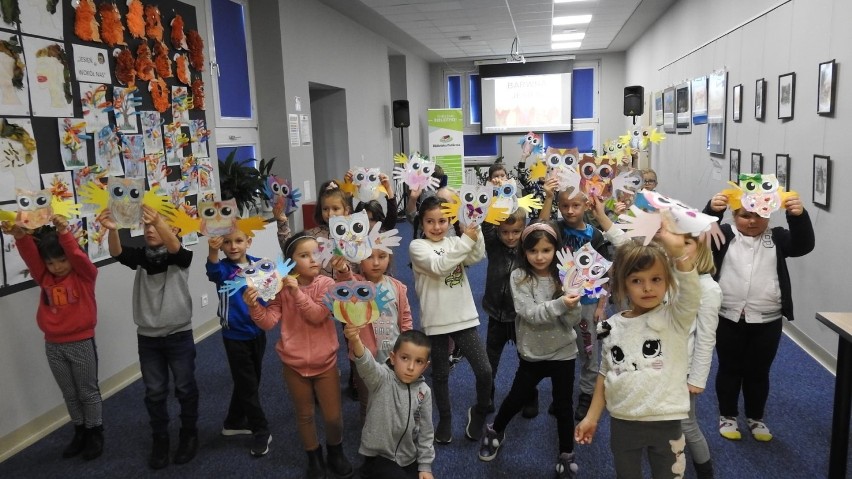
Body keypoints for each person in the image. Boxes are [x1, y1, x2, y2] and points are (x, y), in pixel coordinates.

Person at [575, 228, 700, 479]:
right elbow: (605, 372)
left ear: (667, 281)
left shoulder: (675, 318)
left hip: (666, 420)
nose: (647, 288)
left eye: (656, 279)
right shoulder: (612, 327)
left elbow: (691, 294)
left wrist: (680, 256)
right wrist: (592, 416)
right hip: (624, 420)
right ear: (623, 284)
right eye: (637, 281)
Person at [703, 192, 814, 442]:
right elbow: (701, 233)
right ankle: (728, 415)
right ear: (734, 215)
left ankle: (756, 418)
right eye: (745, 216)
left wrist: (798, 217)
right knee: (729, 368)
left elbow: (803, 245)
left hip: (768, 319)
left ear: (769, 215)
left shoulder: (778, 237)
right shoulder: (724, 235)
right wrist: (711, 210)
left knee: (758, 371)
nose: (752, 221)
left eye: (760, 215)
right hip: (728, 316)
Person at [244, 232, 355, 479]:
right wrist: (254, 306)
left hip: (326, 363)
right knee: (304, 415)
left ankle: (335, 452)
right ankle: (313, 457)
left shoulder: (326, 284)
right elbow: (269, 322)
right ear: (291, 262)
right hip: (293, 364)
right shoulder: (281, 288)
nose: (313, 260)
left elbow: (317, 315)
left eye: (316, 253)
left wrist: (297, 293)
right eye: (304, 255)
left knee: (333, 416)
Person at [478, 221, 582, 479]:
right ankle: (495, 430)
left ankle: (566, 453)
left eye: (546, 250)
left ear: (555, 250)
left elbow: (572, 320)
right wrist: (561, 304)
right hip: (532, 353)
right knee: (516, 397)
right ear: (524, 252)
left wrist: (573, 306)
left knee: (564, 405)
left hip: (564, 352)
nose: (539, 256)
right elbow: (530, 314)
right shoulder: (519, 276)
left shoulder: (565, 277)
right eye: (533, 250)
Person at [101, 205, 199, 469]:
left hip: (178, 334)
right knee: (154, 392)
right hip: (148, 338)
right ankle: (160, 438)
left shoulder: (181, 256)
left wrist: (159, 220)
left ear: (173, 230)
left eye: (156, 225)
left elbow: (176, 249)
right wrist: (113, 231)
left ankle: (189, 434)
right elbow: (117, 252)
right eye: (146, 226)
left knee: (185, 387)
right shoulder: (142, 257)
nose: (149, 230)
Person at [5, 216, 103, 460]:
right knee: (69, 393)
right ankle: (80, 430)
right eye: (51, 262)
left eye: (62, 260)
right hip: (54, 345)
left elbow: (79, 259)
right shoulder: (45, 277)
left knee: (87, 391)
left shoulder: (84, 276)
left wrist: (64, 233)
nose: (57, 267)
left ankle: (95, 432)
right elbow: (30, 255)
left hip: (81, 343)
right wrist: (20, 235)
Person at [409, 196, 492, 444]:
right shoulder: (418, 247)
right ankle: (444, 418)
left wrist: (474, 230)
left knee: (485, 372)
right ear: (421, 223)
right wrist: (466, 240)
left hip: (463, 316)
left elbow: (475, 256)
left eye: (442, 221)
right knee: (440, 374)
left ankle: (478, 412)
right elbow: (440, 266)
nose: (436, 227)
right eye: (430, 221)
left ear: (450, 220)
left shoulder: (456, 240)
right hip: (436, 320)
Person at [539, 178, 609, 421]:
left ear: (586, 205)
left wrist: (602, 305)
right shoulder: (556, 229)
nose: (570, 211)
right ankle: (562, 396)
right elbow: (540, 227)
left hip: (587, 304)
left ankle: (587, 394)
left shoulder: (596, 235)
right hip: (558, 300)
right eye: (564, 205)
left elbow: (605, 273)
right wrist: (548, 197)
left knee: (588, 349)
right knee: (560, 349)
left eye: (575, 206)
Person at [205, 229, 271, 457]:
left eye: (239, 241)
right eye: (227, 242)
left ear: (248, 242)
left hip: (258, 331)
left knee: (251, 379)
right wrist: (212, 248)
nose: (233, 246)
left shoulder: (259, 265)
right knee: (248, 384)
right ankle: (261, 430)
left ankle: (233, 421)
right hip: (234, 336)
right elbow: (212, 265)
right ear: (222, 246)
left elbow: (268, 292)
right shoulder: (222, 270)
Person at [343, 326, 435, 479]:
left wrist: (425, 466)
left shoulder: (424, 392)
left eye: (419, 361)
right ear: (393, 357)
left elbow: (426, 432)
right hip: (378, 456)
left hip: (407, 457)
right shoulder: (381, 378)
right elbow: (367, 365)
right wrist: (355, 340)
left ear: (426, 366)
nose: (411, 367)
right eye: (404, 358)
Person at [481, 169, 532, 415]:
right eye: (505, 232)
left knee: (528, 359)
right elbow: (487, 224)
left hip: (521, 315)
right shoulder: (493, 245)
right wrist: (496, 196)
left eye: (516, 232)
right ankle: (487, 395)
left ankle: (529, 396)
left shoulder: (529, 248)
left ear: (524, 229)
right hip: (495, 313)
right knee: (491, 360)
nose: (510, 237)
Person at [350, 246, 414, 423]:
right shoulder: (355, 287)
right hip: (365, 358)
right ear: (359, 261)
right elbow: (343, 278)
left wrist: (406, 349)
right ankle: (369, 443)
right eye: (369, 257)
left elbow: (406, 319)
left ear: (390, 258)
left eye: (382, 256)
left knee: (395, 398)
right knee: (368, 403)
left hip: (393, 357)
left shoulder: (397, 287)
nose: (376, 262)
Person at [680, 235, 721, 478]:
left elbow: (706, 338)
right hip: (659, 364)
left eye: (686, 242)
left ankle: (705, 472)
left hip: (683, 370)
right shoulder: (669, 277)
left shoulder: (707, 288)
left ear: (700, 248)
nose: (678, 246)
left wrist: (697, 378)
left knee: (687, 424)